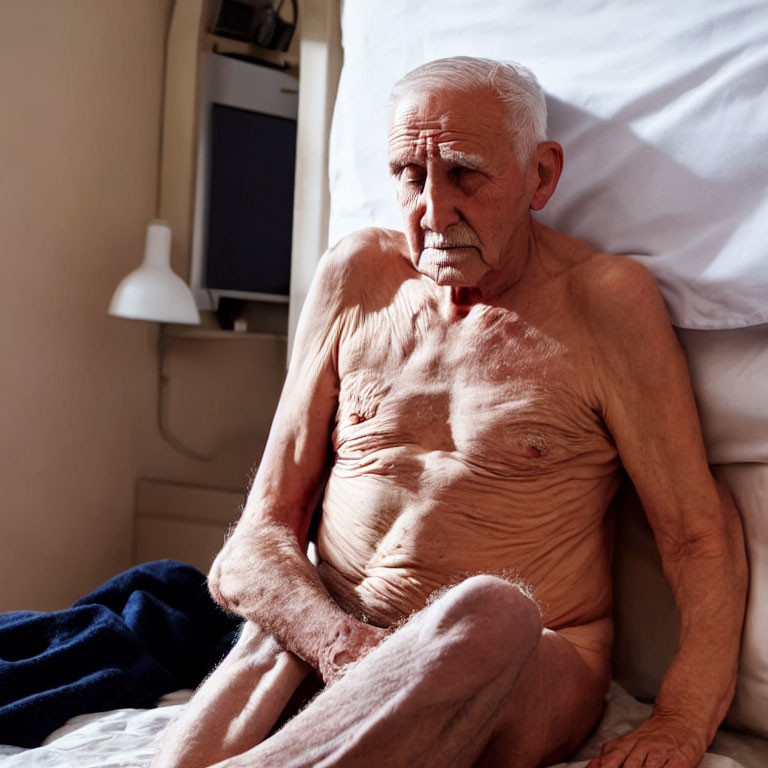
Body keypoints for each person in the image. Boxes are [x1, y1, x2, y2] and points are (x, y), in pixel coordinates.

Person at [152, 56, 747, 768]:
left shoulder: (607, 304)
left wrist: (680, 720)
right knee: (276, 618)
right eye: (409, 174)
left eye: (465, 174)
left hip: (525, 662)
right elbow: (252, 546)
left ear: (542, 176)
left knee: (494, 611)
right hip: (338, 636)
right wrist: (344, 647)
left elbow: (698, 535)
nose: (432, 212)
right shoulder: (357, 277)